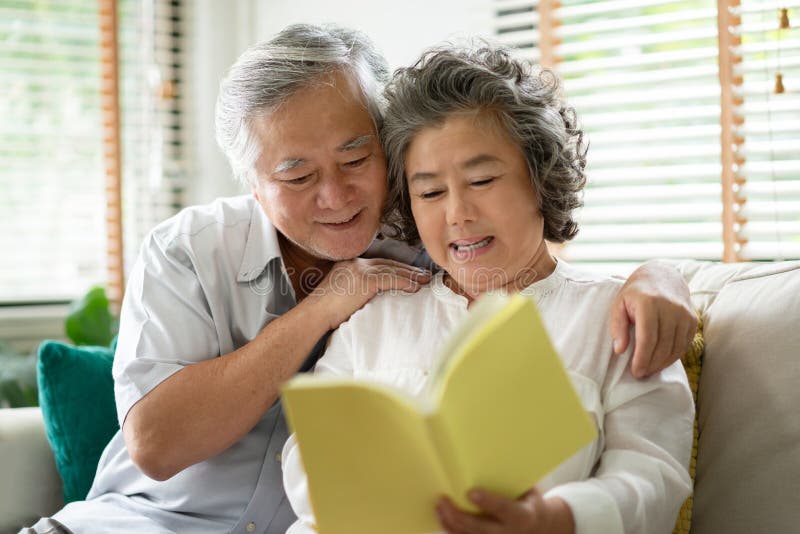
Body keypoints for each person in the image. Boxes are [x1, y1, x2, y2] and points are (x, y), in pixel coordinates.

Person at [23, 25, 695, 534]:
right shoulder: (199, 256)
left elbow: (647, 465)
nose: (336, 196)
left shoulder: (449, 250)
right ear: (253, 186)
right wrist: (329, 305)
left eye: (355, 157)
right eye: (295, 176)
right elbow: (169, 447)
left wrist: (663, 278)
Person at [281, 43, 694, 534]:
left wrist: (553, 519)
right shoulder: (374, 318)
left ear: (540, 178)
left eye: (481, 180)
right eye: (430, 192)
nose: (457, 213)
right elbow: (306, 462)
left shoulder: (617, 317)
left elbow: (653, 480)